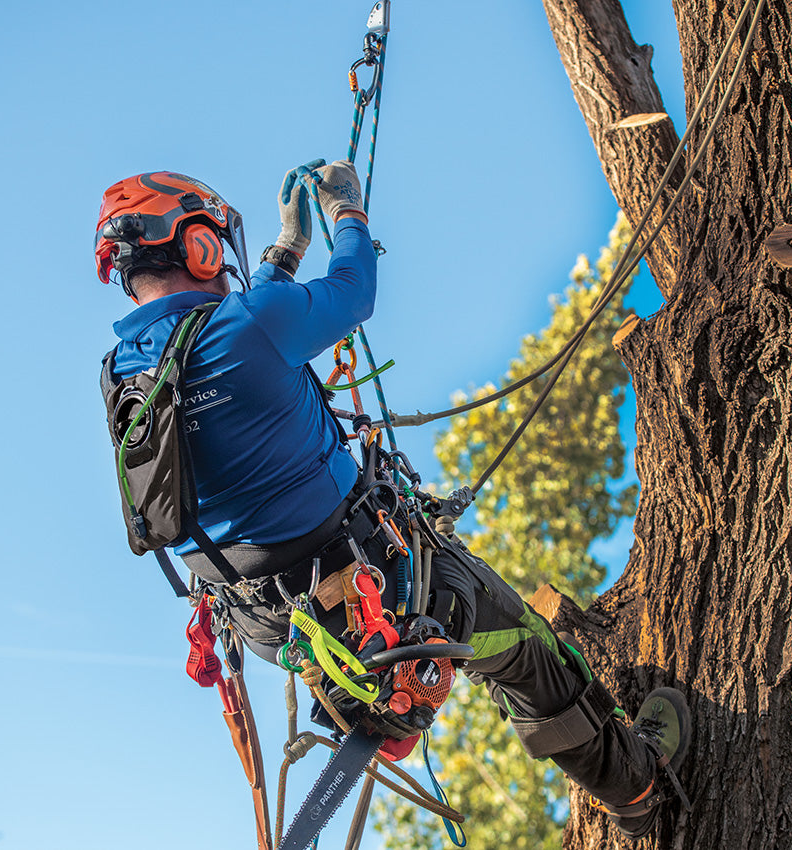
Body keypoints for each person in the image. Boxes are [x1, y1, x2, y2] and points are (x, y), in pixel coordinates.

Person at [96, 160, 690, 839]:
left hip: (265, 621)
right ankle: (636, 786)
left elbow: (233, 336)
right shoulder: (252, 323)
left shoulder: (125, 371)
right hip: (371, 593)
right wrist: (347, 213)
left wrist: (284, 257)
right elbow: (351, 292)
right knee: (524, 646)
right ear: (198, 245)